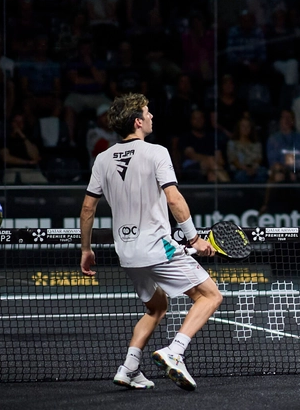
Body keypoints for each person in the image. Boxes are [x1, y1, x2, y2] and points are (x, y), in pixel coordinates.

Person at [79, 93, 223, 391]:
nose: (152, 116)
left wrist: (86, 249)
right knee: (210, 296)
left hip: (127, 253)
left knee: (156, 308)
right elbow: (174, 198)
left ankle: (129, 367)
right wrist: (195, 239)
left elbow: (87, 209)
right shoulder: (157, 152)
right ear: (138, 121)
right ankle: (175, 351)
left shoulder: (102, 159)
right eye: (148, 112)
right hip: (158, 248)